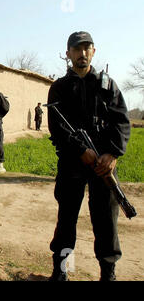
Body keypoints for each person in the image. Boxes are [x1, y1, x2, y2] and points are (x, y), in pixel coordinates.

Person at [47, 31, 131, 281]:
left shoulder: (108, 85)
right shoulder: (59, 88)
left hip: (103, 165)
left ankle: (108, 273)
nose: (82, 54)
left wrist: (113, 153)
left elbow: (121, 122)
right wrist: (80, 151)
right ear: (68, 54)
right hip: (73, 162)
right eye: (77, 49)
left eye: (87, 48)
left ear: (94, 51)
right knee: (67, 218)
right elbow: (57, 127)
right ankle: (60, 271)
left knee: (106, 221)